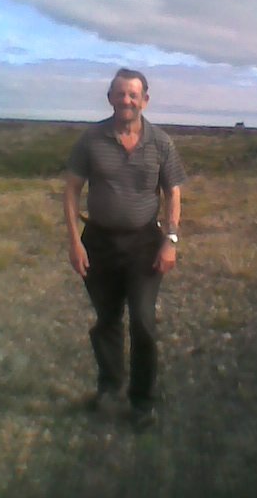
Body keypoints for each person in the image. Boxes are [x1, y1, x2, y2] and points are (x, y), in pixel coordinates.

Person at [63, 68, 186, 430]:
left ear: (145, 100)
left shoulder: (161, 143)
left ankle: (142, 401)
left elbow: (173, 193)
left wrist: (171, 240)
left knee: (143, 322)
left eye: (133, 94)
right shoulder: (91, 139)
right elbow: (71, 191)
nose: (127, 100)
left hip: (144, 244)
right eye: (120, 94)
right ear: (110, 98)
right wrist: (74, 241)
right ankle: (109, 387)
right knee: (107, 320)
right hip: (99, 243)